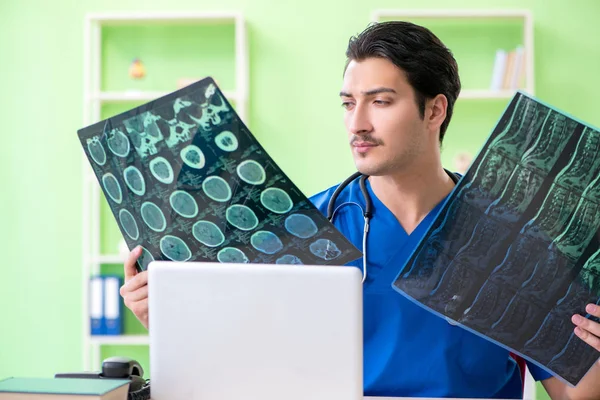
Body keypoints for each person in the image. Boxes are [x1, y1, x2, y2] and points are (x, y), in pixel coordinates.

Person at [120, 21, 600, 399]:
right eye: (349, 103)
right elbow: (236, 372)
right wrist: (168, 317)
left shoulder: (518, 239)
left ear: (435, 111)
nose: (358, 123)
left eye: (381, 102)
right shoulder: (303, 226)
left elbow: (573, 391)